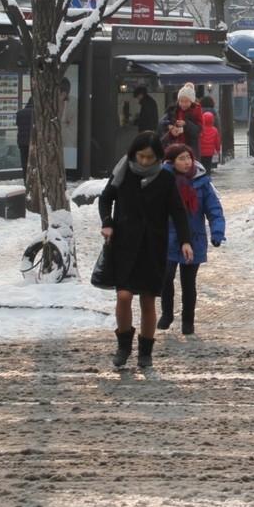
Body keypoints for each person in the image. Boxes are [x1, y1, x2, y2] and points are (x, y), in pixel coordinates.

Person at [98, 131, 192, 369]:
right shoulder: (123, 172)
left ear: (158, 157)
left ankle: (146, 352)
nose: (145, 162)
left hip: (152, 246)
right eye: (141, 156)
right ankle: (123, 345)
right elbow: (105, 198)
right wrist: (107, 223)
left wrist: (185, 241)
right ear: (134, 154)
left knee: (148, 301)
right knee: (124, 296)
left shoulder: (165, 178)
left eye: (150, 157)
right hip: (124, 245)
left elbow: (178, 212)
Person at [158, 144, 225, 335]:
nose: (187, 162)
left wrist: (217, 232)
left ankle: (188, 320)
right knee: (166, 277)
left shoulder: (201, 181)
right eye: (181, 158)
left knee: (188, 282)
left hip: (194, 238)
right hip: (168, 237)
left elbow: (214, 209)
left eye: (188, 157)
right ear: (171, 161)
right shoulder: (163, 180)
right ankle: (167, 314)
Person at [159, 82, 203, 153]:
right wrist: (169, 127)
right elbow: (161, 123)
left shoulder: (196, 111)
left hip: (190, 149)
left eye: (186, 101)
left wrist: (186, 124)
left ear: (191, 101)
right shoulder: (173, 110)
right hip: (173, 147)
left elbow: (198, 131)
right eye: (181, 101)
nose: (183, 104)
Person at [15, 98, 33, 175]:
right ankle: (32, 180)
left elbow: (18, 124)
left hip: (22, 142)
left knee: (24, 162)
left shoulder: (20, 113)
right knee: (33, 163)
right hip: (33, 142)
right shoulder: (37, 113)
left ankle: (26, 179)